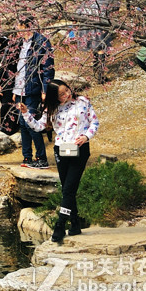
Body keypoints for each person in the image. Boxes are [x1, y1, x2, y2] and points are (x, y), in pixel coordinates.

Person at [19, 78, 99, 242]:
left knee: (69, 188)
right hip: (61, 150)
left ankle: (60, 225)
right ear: (54, 97)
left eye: (67, 90)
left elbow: (94, 122)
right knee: (67, 189)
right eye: (61, 94)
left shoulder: (82, 102)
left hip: (80, 148)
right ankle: (75, 224)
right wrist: (26, 113)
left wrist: (86, 136)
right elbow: (38, 127)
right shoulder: (51, 109)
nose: (66, 95)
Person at [12, 13, 55, 168]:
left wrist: (45, 89)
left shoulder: (41, 42)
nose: (17, 30)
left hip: (33, 88)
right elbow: (18, 68)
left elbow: (48, 68)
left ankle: (41, 158)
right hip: (20, 89)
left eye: (20, 27)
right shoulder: (20, 43)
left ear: (28, 27)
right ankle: (27, 157)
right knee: (22, 124)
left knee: (31, 122)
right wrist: (15, 90)